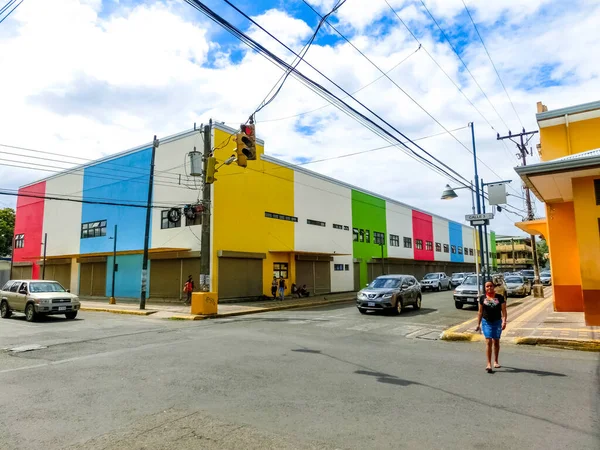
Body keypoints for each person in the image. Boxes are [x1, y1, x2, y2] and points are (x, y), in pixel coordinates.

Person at [475, 281, 507, 373]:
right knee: (488, 341)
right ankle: (488, 363)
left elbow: (504, 311)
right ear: (485, 288)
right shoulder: (482, 298)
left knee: (496, 341)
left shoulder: (500, 297)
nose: (489, 288)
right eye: (487, 286)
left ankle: (496, 361)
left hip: (497, 322)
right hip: (486, 322)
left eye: (491, 286)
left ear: (494, 287)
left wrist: (504, 321)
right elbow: (480, 312)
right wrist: (478, 324)